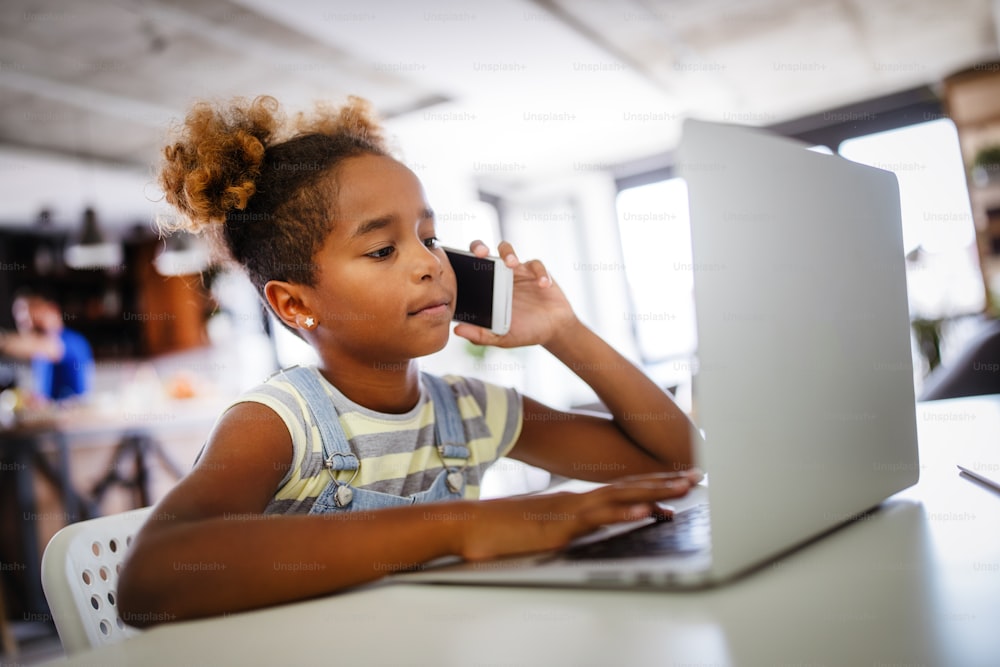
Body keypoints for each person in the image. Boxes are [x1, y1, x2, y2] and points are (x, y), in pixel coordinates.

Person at [117, 95, 704, 626]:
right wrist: (462, 525)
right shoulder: (279, 422)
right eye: (382, 249)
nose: (429, 263)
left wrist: (564, 332)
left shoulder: (468, 411)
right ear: (294, 304)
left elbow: (678, 457)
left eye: (428, 236)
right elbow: (151, 580)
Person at [0, 293, 93, 402]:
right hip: (50, 415)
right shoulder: (38, 350)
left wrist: (4, 341)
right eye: (21, 321)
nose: (27, 326)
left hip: (74, 414)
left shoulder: (73, 341)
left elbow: (51, 348)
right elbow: (45, 395)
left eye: (31, 316)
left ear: (52, 309)